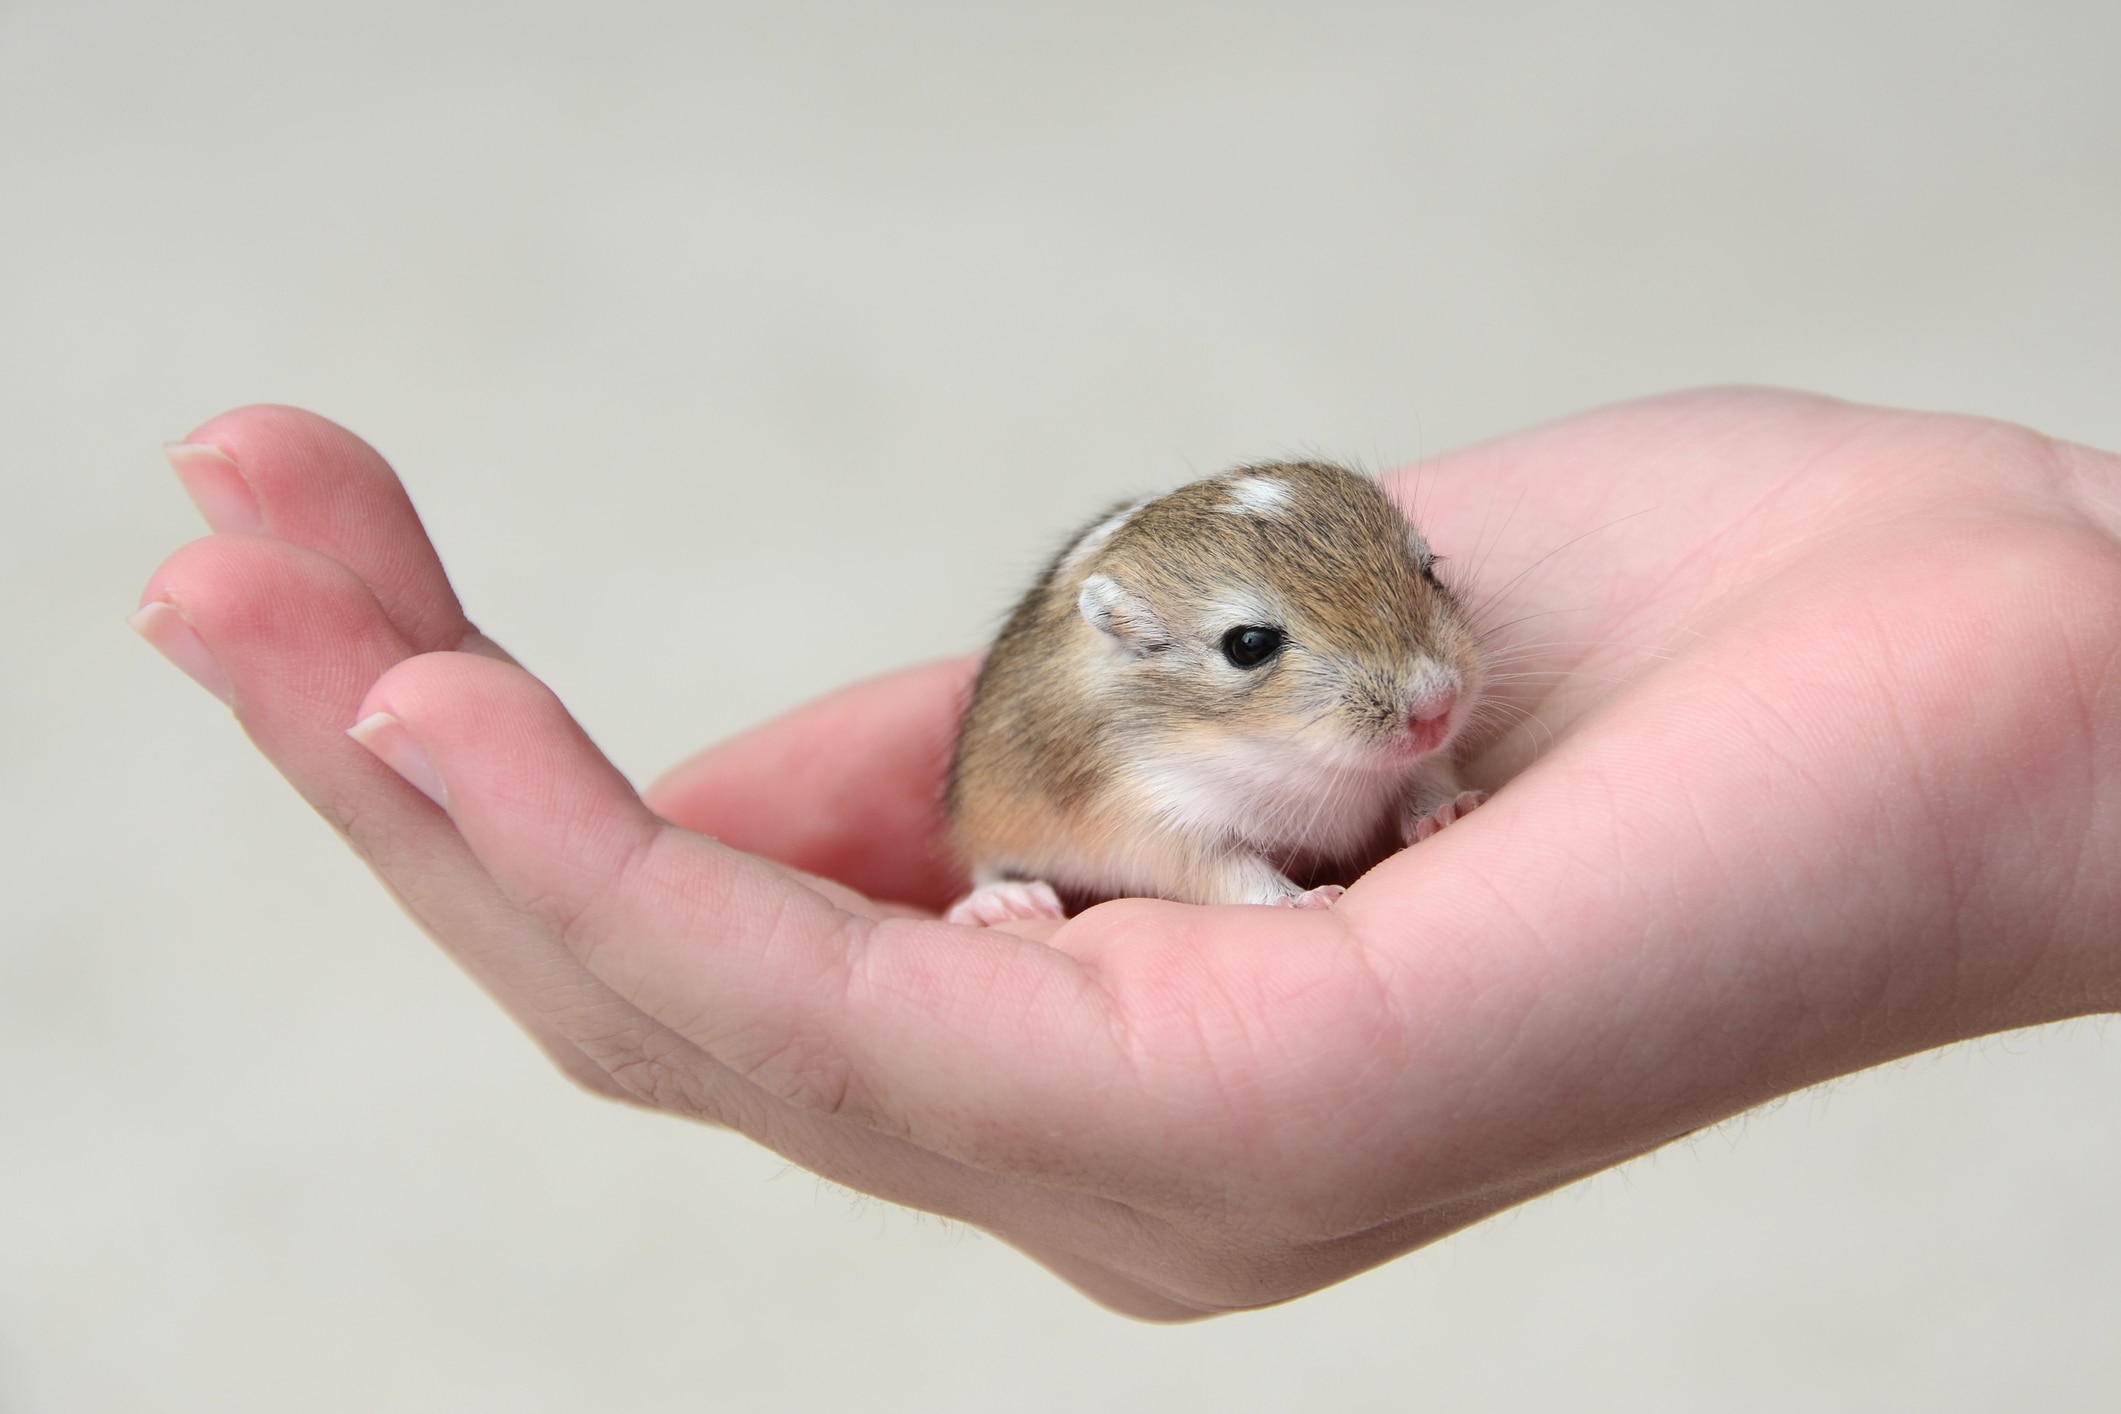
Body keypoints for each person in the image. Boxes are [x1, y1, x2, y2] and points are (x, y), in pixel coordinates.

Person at [132, 391, 2121, 1320]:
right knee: (1031, 833)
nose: (1421, 688)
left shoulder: (1403, 679)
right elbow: (1182, 838)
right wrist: (1235, 890)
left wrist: (1415, 799)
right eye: (1282, 658)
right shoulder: (1118, 726)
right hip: (1083, 826)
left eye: (1422, 598)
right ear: (1164, 662)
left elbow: (1417, 719)